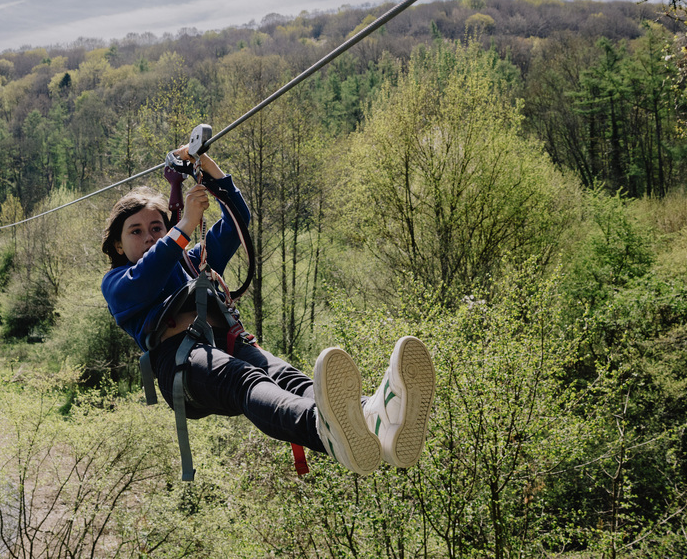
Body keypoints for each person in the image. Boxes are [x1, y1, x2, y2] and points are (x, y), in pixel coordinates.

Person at [100, 144, 436, 475]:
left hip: (228, 344)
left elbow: (237, 221)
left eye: (156, 228)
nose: (148, 237)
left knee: (290, 379)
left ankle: (376, 421)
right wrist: (184, 225)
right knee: (244, 379)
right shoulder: (116, 282)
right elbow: (145, 277)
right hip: (181, 364)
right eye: (136, 231)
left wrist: (204, 163)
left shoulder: (190, 260)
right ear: (118, 244)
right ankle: (320, 429)